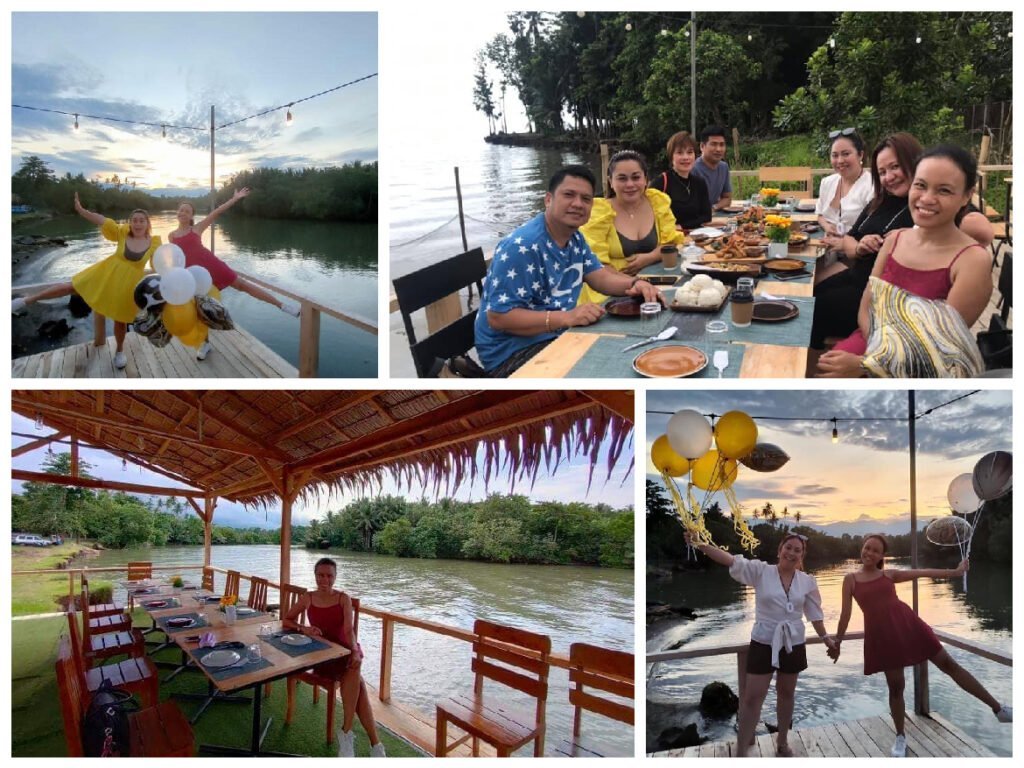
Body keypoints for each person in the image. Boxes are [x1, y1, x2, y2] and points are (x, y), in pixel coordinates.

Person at [817, 144, 993, 377]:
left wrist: (867, 365)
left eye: (944, 191)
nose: (927, 198)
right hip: (873, 342)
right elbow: (866, 306)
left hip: (923, 366)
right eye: (920, 185)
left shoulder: (972, 261)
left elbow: (941, 348)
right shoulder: (896, 239)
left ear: (966, 196)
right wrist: (875, 349)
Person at [473, 165, 663, 377]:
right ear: (548, 199)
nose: (577, 204)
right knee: (615, 369)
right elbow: (499, 317)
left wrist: (635, 284)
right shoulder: (522, 247)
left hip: (558, 335)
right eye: (569, 195)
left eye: (586, 199)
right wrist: (567, 317)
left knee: (640, 346)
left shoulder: (574, 238)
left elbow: (599, 276)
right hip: (512, 354)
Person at [831, 534, 1011, 757]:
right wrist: (837, 641)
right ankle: (900, 736)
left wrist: (955, 572)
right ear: (862, 548)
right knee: (896, 688)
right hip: (884, 637)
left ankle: (999, 709)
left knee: (950, 665)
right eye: (867, 548)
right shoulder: (850, 580)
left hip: (910, 627)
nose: (869, 553)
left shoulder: (889, 574)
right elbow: (845, 614)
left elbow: (924, 573)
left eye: (875, 550)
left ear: (881, 556)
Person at [685, 531, 837, 757]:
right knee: (752, 697)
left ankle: (782, 742)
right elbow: (731, 560)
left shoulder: (807, 582)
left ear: (802, 556)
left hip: (793, 643)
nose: (792, 553)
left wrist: (826, 638)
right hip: (763, 640)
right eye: (789, 548)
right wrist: (700, 543)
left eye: (798, 550)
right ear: (780, 550)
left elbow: (814, 614)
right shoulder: (761, 571)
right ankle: (741, 749)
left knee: (786, 694)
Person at [12, 193, 162, 370]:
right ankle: (24, 301)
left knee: (120, 320)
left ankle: (120, 351)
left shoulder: (154, 243)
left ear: (147, 223)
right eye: (134, 220)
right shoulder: (122, 232)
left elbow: (161, 265)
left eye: (141, 220)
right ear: (130, 222)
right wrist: (82, 210)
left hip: (128, 285)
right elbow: (101, 220)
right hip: (106, 274)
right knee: (71, 286)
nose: (137, 223)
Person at [169, 188, 299, 361]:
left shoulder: (197, 229)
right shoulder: (171, 236)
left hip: (212, 265)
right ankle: (204, 343)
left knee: (243, 286)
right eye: (181, 209)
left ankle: (282, 305)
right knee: (199, 308)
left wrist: (235, 198)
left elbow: (217, 212)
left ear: (192, 215)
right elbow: (173, 259)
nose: (183, 212)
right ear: (177, 213)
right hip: (194, 276)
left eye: (187, 210)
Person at [283, 558, 385, 758]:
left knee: (355, 666)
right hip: (321, 654)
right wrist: (303, 628)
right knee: (359, 684)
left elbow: (348, 629)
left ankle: (348, 735)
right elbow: (286, 619)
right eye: (321, 575)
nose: (325, 579)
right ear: (315, 576)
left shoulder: (343, 599)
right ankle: (374, 744)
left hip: (345, 650)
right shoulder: (308, 597)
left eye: (329, 575)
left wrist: (354, 650)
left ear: (335, 577)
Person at [578, 150, 680, 304]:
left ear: (646, 179)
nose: (630, 184)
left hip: (655, 281)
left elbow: (671, 244)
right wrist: (635, 283)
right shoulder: (598, 214)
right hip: (609, 292)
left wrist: (649, 257)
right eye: (622, 178)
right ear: (611, 182)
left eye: (636, 177)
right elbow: (595, 266)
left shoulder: (657, 202)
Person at [814, 128, 873, 245]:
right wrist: (827, 226)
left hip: (856, 251)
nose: (840, 160)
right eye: (835, 155)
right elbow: (819, 214)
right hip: (826, 245)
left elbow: (871, 229)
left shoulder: (871, 186)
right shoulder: (827, 182)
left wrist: (844, 242)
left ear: (860, 155)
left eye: (846, 154)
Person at [648, 132, 712, 229]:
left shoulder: (700, 183)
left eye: (690, 152)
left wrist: (681, 226)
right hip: (669, 240)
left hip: (698, 239)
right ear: (671, 156)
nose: (685, 157)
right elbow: (648, 217)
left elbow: (707, 217)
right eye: (680, 153)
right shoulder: (660, 183)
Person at [691, 125, 733, 211]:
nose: (718, 149)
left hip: (712, 216)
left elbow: (727, 198)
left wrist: (714, 207)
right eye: (714, 144)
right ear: (702, 146)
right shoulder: (692, 170)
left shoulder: (723, 167)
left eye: (722, 145)